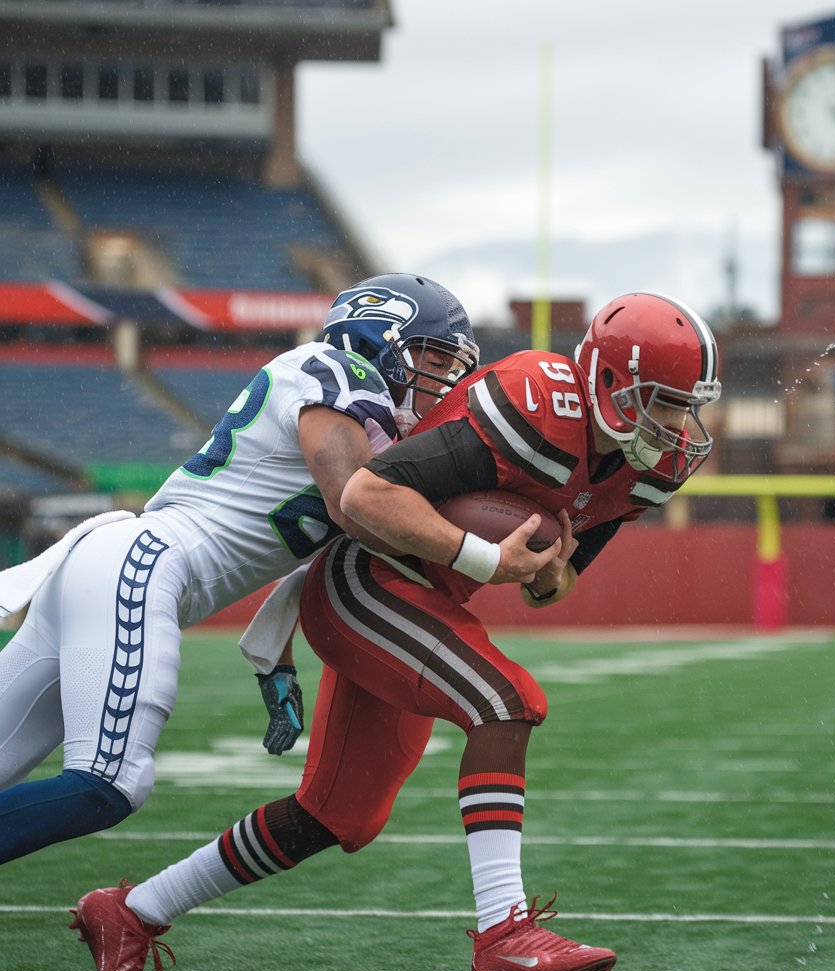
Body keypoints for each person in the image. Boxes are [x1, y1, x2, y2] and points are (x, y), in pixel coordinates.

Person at [69, 291, 722, 971]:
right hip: (367, 579)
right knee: (505, 703)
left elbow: (557, 583)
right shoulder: (537, 400)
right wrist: (484, 557)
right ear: (604, 384)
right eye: (660, 402)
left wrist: (545, 570)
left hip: (427, 597)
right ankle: (504, 930)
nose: (676, 424)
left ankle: (130, 912)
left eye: (687, 404)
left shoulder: (649, 468)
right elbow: (367, 498)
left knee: (338, 814)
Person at [0, 273, 478, 864]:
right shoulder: (337, 371)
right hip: (142, 563)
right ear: (380, 338)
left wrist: (273, 664)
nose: (445, 377)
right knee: (111, 782)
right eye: (433, 356)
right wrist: (482, 550)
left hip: (112, 564)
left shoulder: (356, 417)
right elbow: (351, 504)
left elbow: (308, 553)